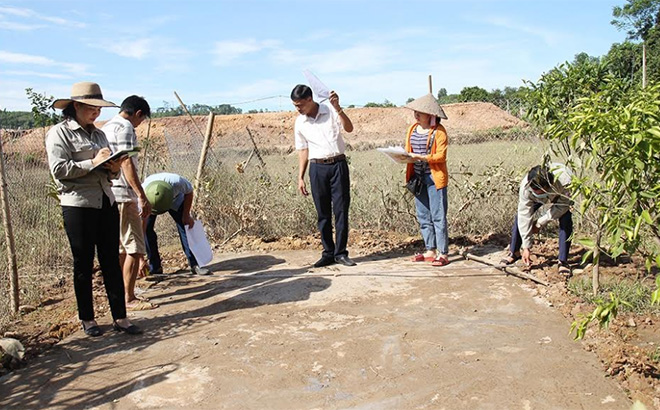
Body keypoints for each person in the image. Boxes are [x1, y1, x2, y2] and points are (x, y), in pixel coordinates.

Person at [45, 81, 142, 336]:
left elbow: (106, 172)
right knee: (83, 264)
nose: (96, 113)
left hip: (105, 201)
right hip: (78, 206)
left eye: (99, 109)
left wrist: (112, 168)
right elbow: (59, 171)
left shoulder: (99, 133)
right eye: (92, 108)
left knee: (110, 260)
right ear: (76, 106)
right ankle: (88, 320)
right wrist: (92, 162)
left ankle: (120, 318)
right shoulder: (59, 133)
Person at [291, 84, 356, 268]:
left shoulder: (330, 110)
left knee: (341, 211)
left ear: (310, 100)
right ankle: (328, 253)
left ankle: (341, 253)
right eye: (295, 106)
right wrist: (300, 176)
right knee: (323, 213)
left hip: (338, 165)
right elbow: (303, 150)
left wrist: (338, 108)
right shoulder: (300, 122)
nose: (298, 109)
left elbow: (349, 128)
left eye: (300, 105)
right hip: (317, 168)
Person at [102, 95, 156, 311]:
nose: (139, 125)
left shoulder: (107, 127)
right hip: (124, 194)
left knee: (121, 247)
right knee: (134, 246)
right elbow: (126, 162)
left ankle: (121, 294)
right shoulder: (125, 128)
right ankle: (129, 298)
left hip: (109, 194)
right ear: (138, 114)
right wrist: (141, 194)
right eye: (141, 120)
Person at [501, 163, 573, 276]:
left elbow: (562, 206)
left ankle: (563, 261)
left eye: (541, 192)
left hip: (560, 197)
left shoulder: (565, 181)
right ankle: (514, 252)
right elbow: (524, 214)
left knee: (566, 219)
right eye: (535, 191)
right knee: (519, 218)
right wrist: (526, 247)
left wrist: (540, 223)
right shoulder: (526, 187)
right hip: (535, 198)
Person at [404, 93, 450, 267]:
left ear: (430, 115)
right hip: (417, 177)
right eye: (415, 111)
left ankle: (443, 252)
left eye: (420, 112)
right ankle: (430, 249)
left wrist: (422, 157)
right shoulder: (412, 129)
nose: (416, 115)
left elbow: (441, 156)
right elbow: (409, 150)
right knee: (423, 215)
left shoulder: (439, 132)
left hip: (433, 177)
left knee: (438, 216)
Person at [142, 172, 211, 276]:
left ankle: (195, 264)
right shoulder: (143, 191)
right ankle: (155, 267)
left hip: (176, 201)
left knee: (185, 227)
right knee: (147, 230)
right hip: (151, 203)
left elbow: (189, 192)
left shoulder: (177, 182)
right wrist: (140, 256)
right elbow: (141, 228)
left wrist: (186, 214)